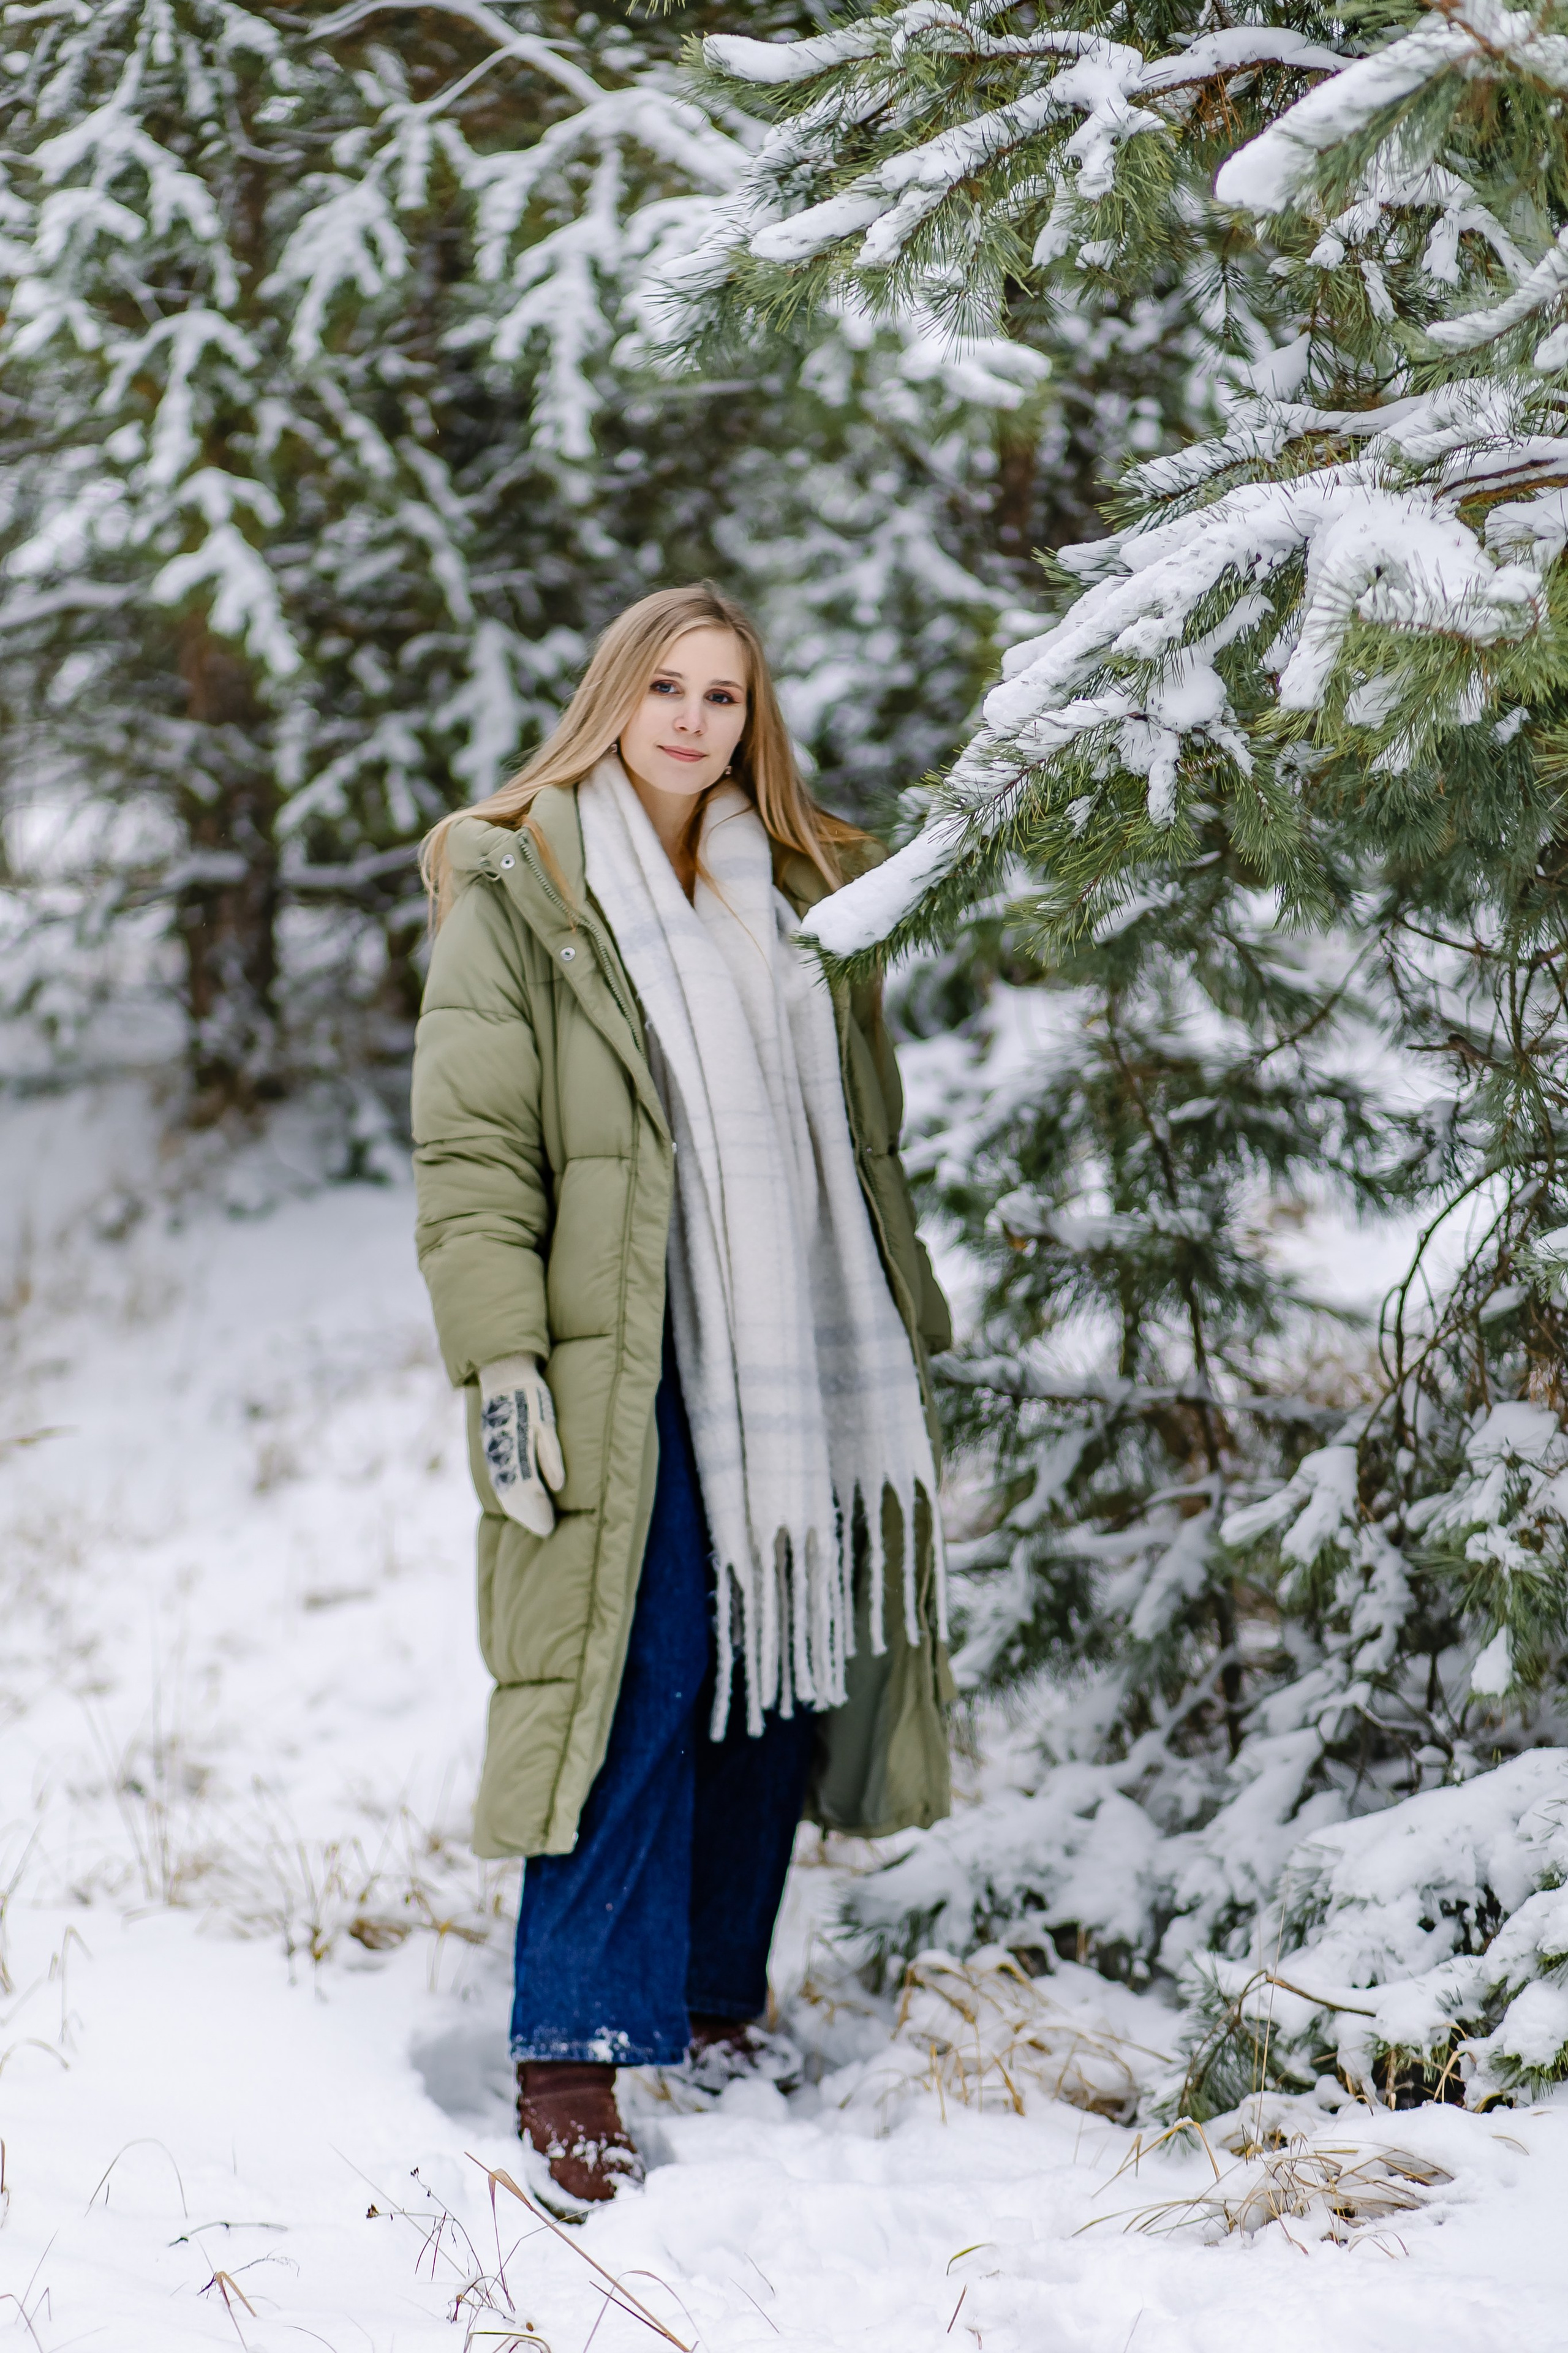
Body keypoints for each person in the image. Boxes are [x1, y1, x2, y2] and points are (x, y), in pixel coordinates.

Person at [412, 583, 953, 2205]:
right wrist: (502, 1355)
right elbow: (475, 1144)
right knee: (637, 1663)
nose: (694, 718)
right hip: (615, 1341)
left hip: (783, 1341)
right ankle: (573, 2042)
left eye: (724, 693)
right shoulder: (521, 883)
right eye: (666, 685)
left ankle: (716, 2000)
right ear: (611, 697)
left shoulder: (796, 886)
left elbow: (861, 1137)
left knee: (771, 1665)